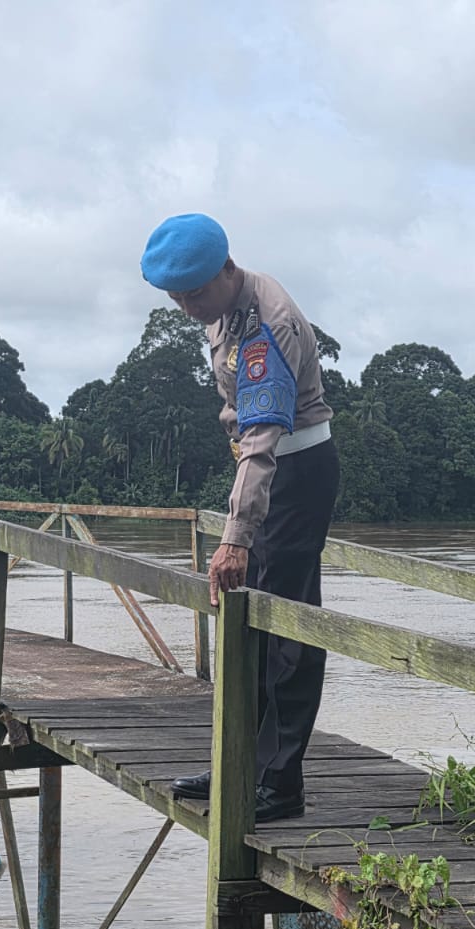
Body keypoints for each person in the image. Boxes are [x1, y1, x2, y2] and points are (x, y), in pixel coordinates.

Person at [139, 213, 339, 823]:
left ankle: (280, 785)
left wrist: (235, 538)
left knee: (286, 633)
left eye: (196, 292)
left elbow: (261, 441)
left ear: (228, 268)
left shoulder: (265, 329)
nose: (188, 306)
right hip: (270, 470)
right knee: (247, 627)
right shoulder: (230, 306)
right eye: (177, 297)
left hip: (293, 475)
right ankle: (239, 763)